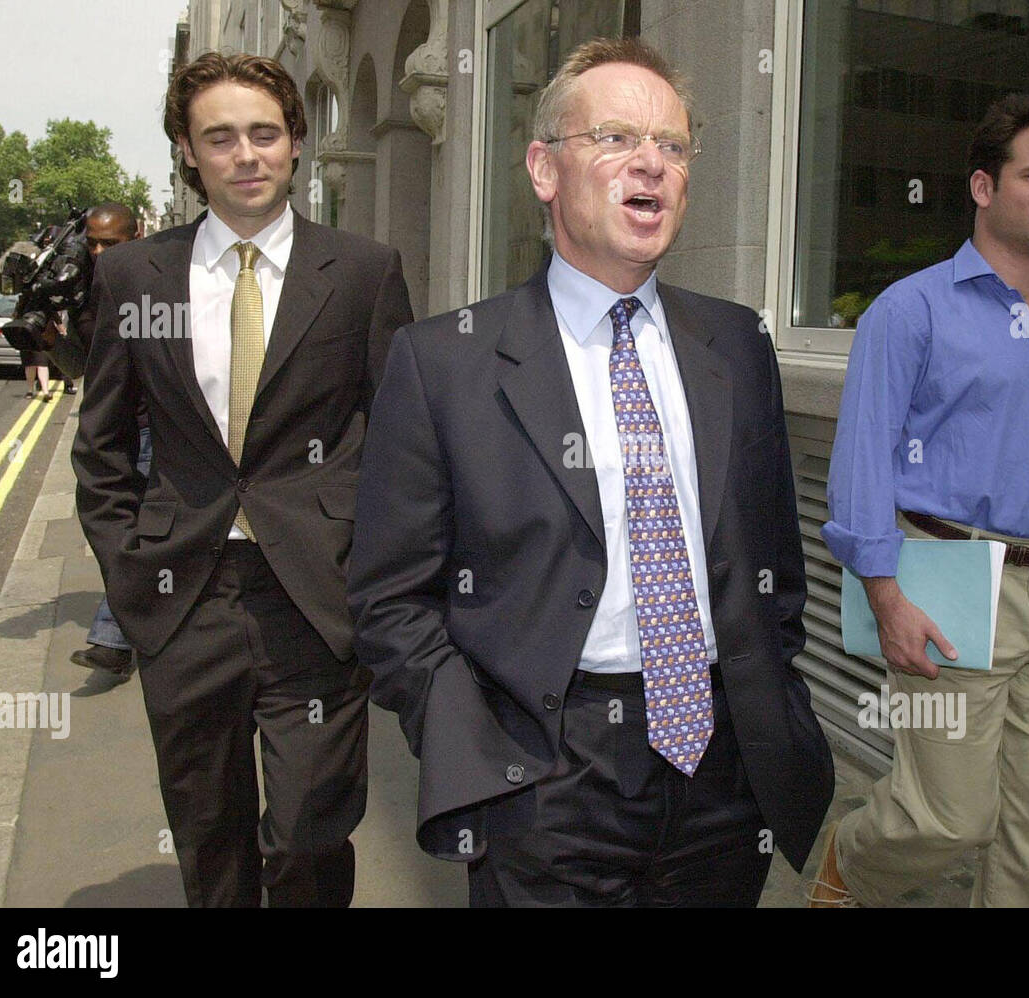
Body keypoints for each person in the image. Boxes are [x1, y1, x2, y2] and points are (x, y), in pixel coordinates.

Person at [349, 37, 834, 908]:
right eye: (614, 138)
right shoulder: (444, 362)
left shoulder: (736, 344)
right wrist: (477, 752)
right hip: (544, 775)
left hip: (725, 770)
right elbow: (390, 598)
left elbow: (775, 566)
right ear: (544, 168)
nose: (650, 163)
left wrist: (774, 700)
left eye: (674, 146)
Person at [73, 52, 413, 907]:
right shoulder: (133, 276)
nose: (246, 154)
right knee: (208, 831)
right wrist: (130, 571)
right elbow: (102, 445)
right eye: (219, 138)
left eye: (265, 133)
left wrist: (366, 568)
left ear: (296, 143)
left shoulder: (364, 273)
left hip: (313, 598)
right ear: (188, 154)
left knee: (308, 829)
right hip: (182, 594)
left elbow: (402, 443)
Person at [810, 93, 1029, 908]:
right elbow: (863, 463)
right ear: (984, 188)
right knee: (948, 818)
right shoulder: (910, 311)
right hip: (949, 585)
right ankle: (853, 855)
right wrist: (885, 593)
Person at [57, 203, 145, 678]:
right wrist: (50, 339)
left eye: (108, 243)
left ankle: (114, 639)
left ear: (136, 236)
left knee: (139, 532)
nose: (97, 251)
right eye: (91, 242)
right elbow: (80, 367)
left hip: (155, 429)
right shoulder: (89, 291)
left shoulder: (156, 280)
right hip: (111, 431)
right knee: (121, 532)